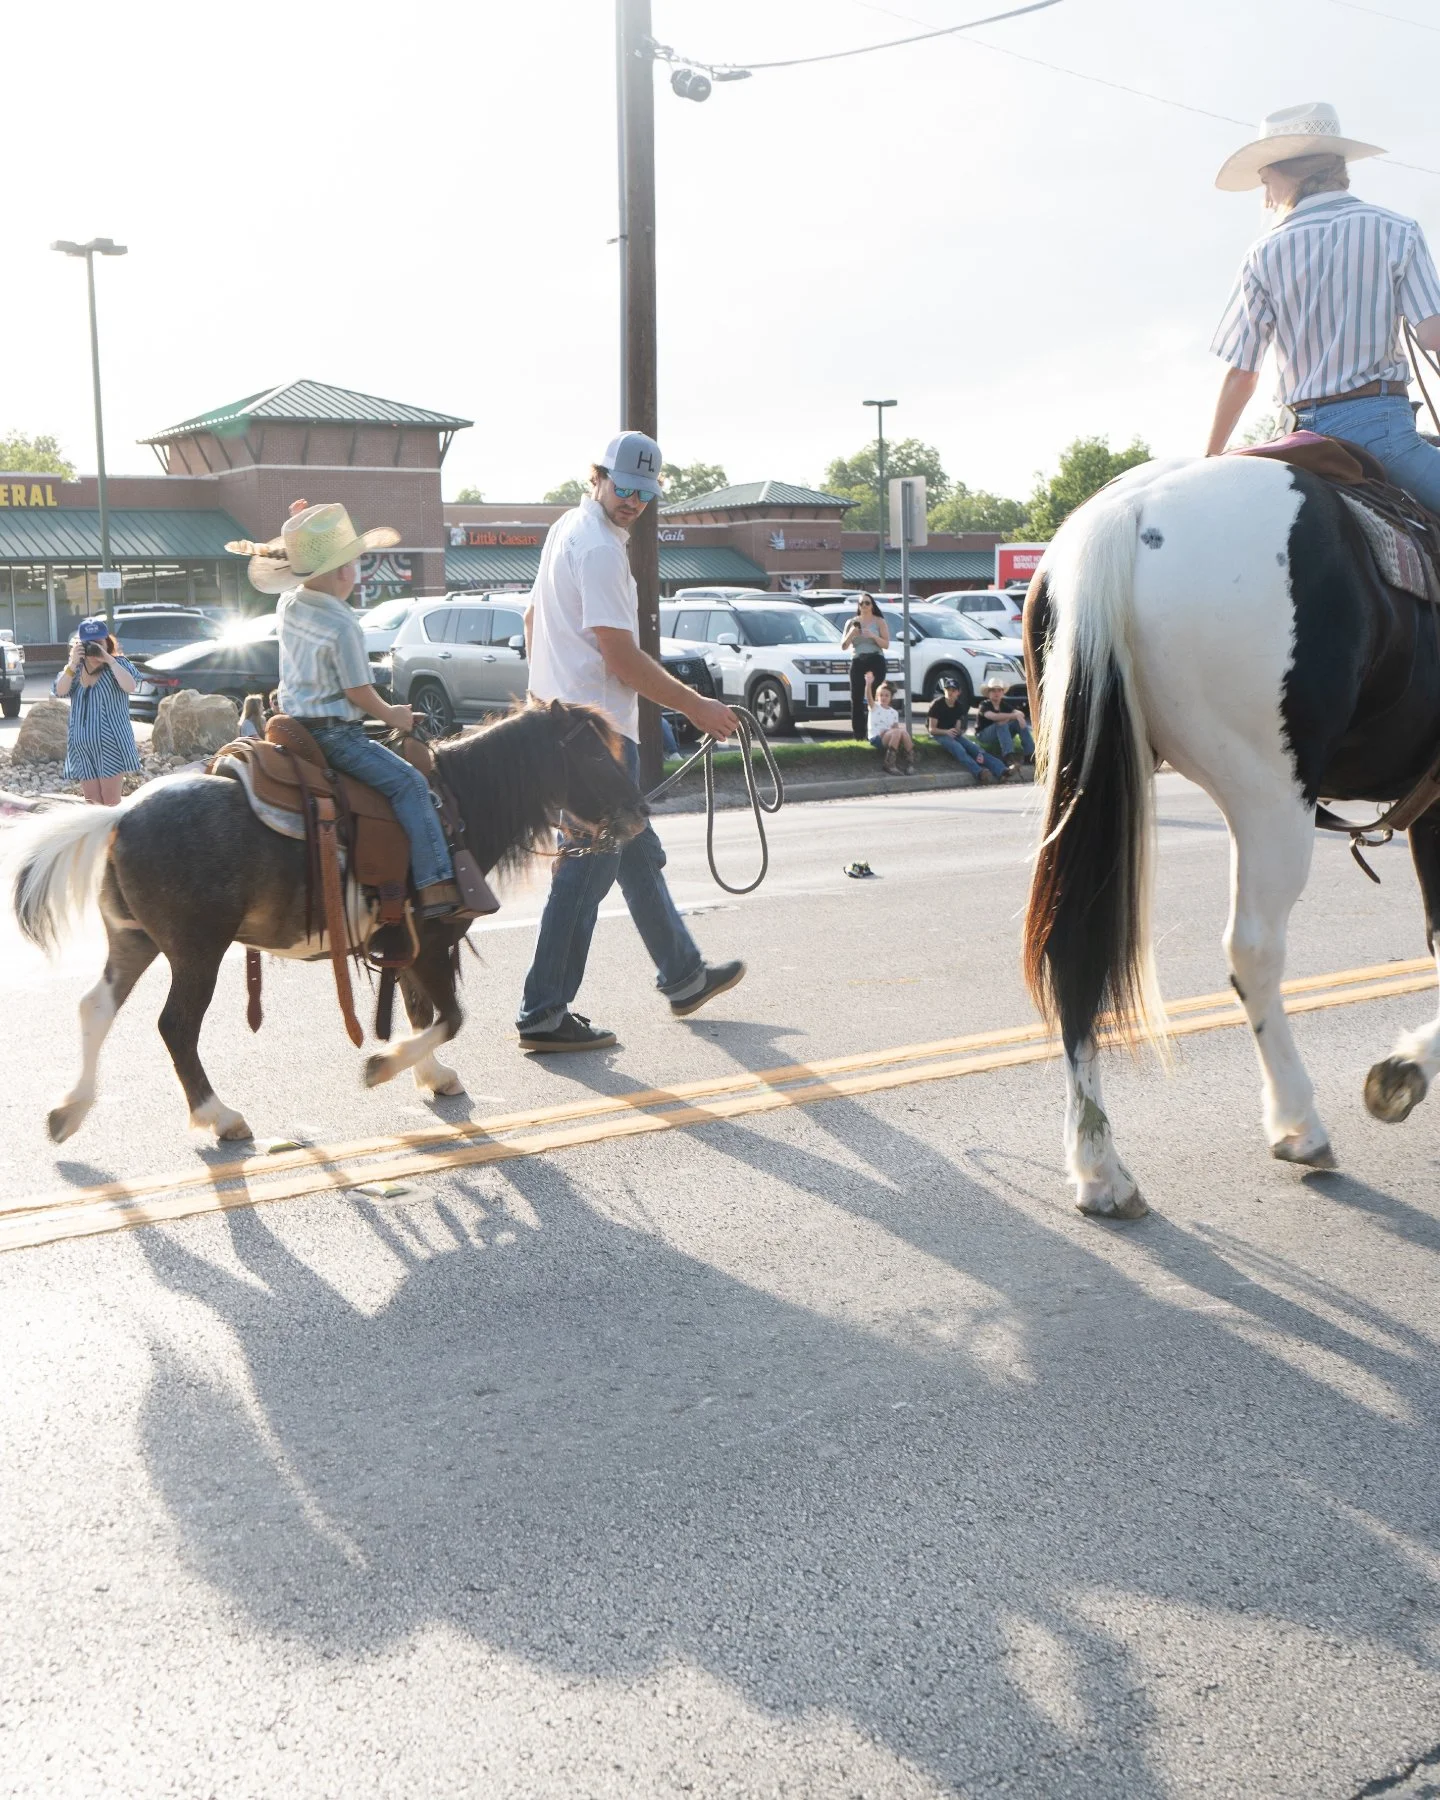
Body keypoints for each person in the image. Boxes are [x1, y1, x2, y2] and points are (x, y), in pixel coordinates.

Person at [517, 432, 746, 1053]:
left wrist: (543, 694)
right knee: (585, 875)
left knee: (637, 853)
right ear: (601, 476)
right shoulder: (596, 549)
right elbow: (620, 657)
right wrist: (697, 706)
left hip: (566, 723)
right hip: (592, 736)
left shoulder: (570, 526)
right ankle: (542, 1012)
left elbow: (532, 619)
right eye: (626, 488)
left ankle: (683, 976)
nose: (635, 502)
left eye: (647, 493)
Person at [226, 503, 462, 918]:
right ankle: (435, 884)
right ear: (342, 572)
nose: (356, 570)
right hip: (335, 735)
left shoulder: (289, 604)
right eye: (354, 563)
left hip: (294, 726)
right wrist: (395, 716)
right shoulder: (343, 624)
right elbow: (358, 692)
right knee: (409, 783)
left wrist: (302, 530)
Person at [1207, 102, 1440, 509]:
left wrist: (1210, 457)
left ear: (1286, 172)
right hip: (1381, 434)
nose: (1266, 196)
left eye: (1265, 180)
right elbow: (1432, 335)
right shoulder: (1396, 230)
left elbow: (1242, 373)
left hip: (1295, 440)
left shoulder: (1261, 253)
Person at [51, 617, 142, 805]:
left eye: (99, 643)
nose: (94, 649)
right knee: (92, 803)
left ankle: (115, 835)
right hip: (82, 747)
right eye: (88, 644)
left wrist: (108, 659)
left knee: (110, 802)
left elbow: (130, 686)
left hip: (112, 745)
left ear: (107, 642)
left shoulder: (118, 665)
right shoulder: (75, 670)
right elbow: (60, 690)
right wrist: (73, 662)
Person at [926, 675, 1008, 782]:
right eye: (948, 689)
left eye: (953, 690)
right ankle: (979, 772)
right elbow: (932, 729)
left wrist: (958, 731)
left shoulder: (959, 706)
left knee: (976, 749)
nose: (950, 692)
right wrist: (946, 732)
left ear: (958, 692)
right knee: (959, 749)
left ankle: (1001, 770)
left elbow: (958, 727)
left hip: (952, 733)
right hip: (939, 734)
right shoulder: (937, 705)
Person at [841, 595, 890, 738]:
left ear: (872, 605)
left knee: (875, 696)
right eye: (861, 603)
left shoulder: (879, 621)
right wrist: (851, 634)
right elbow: (844, 646)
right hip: (858, 660)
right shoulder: (852, 622)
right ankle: (859, 734)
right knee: (856, 697)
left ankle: (875, 732)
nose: (864, 606)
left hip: (875, 659)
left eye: (867, 603)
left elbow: (886, 644)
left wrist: (873, 636)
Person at [975, 680, 1034, 764]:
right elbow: (994, 716)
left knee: (1017, 722)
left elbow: (1019, 713)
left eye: (999, 690)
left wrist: (1019, 717)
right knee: (1001, 723)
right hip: (983, 735)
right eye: (993, 690)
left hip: (1001, 733)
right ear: (988, 693)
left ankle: (1030, 754)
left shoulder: (1004, 704)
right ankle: (1008, 755)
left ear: (1002, 692)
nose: (996, 693)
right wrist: (1014, 716)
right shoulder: (984, 704)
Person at [867, 681, 913, 775]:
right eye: (881, 695)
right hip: (877, 738)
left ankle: (910, 763)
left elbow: (896, 729)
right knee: (896, 732)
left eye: (887, 695)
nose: (883, 697)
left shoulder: (894, 712)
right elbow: (868, 697)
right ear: (877, 696)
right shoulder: (874, 707)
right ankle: (889, 764)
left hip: (889, 736)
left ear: (891, 697)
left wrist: (890, 731)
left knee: (903, 732)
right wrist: (868, 684)